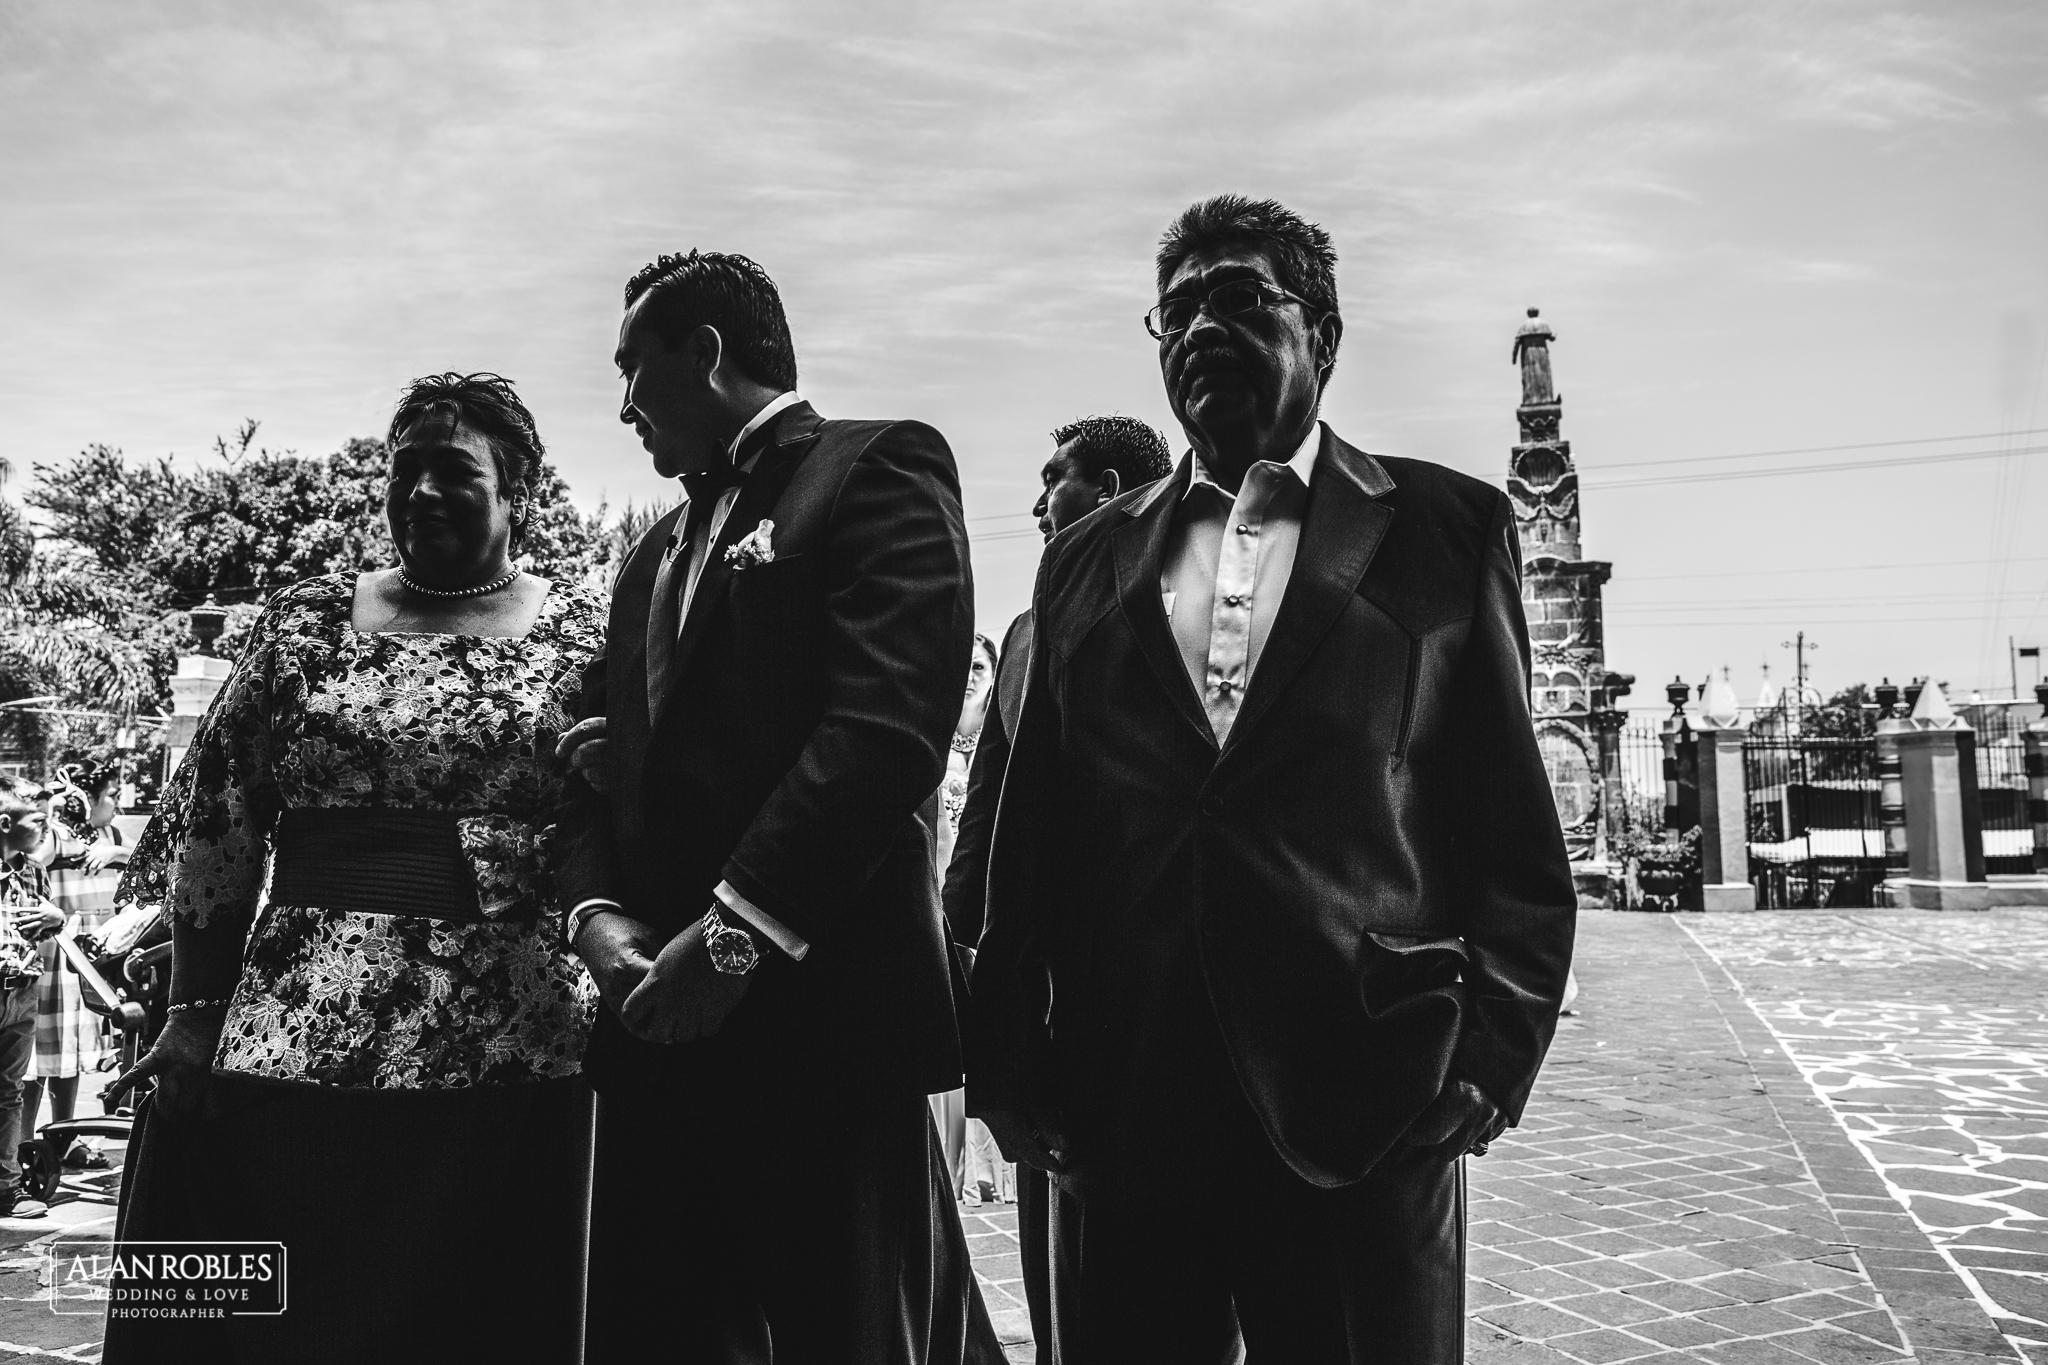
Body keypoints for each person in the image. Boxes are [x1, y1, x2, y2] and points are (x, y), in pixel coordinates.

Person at [969, 196, 1578, 1363]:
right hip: (1125, 1099)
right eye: (1178, 308)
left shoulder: (1443, 529)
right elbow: (1035, 821)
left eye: (1241, 295)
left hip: (1365, 1092)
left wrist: (1494, 1059)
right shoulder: (1087, 560)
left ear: (1325, 336)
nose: (1202, 323)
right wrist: (1004, 1052)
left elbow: (1504, 822)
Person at [101, 373, 604, 1365]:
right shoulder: (305, 621)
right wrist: (194, 1013)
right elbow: (218, 824)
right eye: (402, 470)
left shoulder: (584, 639)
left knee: (486, 1316)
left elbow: (617, 820)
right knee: (302, 1317)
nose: (418, 492)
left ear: (520, 492)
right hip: (304, 1030)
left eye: (451, 472)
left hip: (517, 1039)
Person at [555, 249, 1002, 1364]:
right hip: (654, 1026)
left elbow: (885, 730)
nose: (621, 408)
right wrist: (596, 914)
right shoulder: (649, 552)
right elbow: (588, 758)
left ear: (703, 353)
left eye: (633, 370)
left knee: (845, 1336)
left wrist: (735, 939)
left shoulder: (873, 468)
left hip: (824, 1029)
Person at [941, 413, 1173, 1359]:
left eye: (1056, 479)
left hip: (1177, 993)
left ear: (1111, 485)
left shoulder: (1196, 603)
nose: (1039, 502)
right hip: (1059, 1006)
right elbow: (989, 816)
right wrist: (964, 953)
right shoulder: (1028, 630)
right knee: (1067, 1284)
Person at [24, 765, 127, 1171]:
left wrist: (116, 854)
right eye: (111, 796)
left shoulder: (112, 837)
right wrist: (57, 823)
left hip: (90, 963)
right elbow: (33, 859)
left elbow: (147, 863)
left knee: (70, 1057)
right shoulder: (48, 836)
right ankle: (23, 1143)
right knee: (36, 1060)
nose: (117, 804)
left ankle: (65, 1136)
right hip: (49, 961)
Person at [931, 632, 998, 1202]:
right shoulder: (936, 745)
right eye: (965, 664)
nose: (972, 674)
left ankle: (994, 1169)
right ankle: (957, 1170)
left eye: (982, 665)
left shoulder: (1000, 741)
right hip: (943, 900)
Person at [0, 778, 63, 1219]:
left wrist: (56, 916)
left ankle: (7, 1186)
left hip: (21, 993)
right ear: (5, 823)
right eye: (36, 820)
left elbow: (48, 919)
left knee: (9, 1092)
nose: (46, 826)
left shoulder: (33, 870)